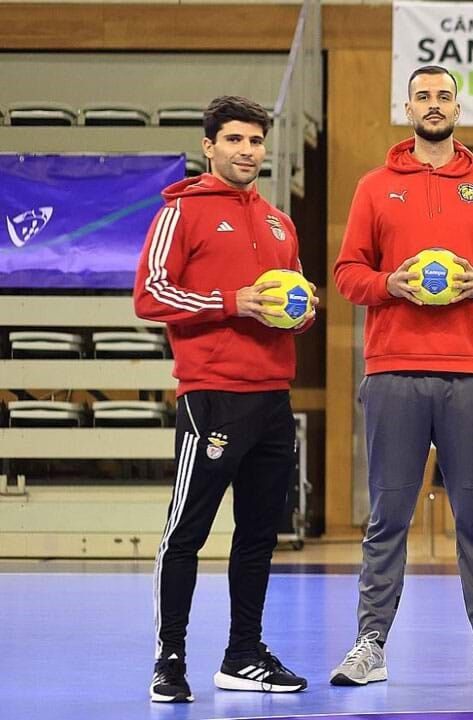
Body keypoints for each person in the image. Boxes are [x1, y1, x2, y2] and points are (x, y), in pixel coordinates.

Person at [330, 65, 473, 688]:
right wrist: (389, 284)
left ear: (458, 108)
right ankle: (370, 643)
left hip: (470, 372)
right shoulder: (374, 187)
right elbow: (347, 274)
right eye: (423, 96)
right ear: (408, 108)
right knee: (387, 517)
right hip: (393, 370)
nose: (434, 104)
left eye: (444, 96)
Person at [135, 95, 315, 703]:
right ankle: (169, 661)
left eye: (256, 141)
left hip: (272, 398)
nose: (247, 151)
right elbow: (150, 294)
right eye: (235, 140)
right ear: (209, 146)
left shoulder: (279, 222)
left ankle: (243, 655)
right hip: (211, 395)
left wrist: (301, 311)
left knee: (259, 535)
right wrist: (229, 302)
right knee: (185, 533)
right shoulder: (180, 213)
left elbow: (288, 302)